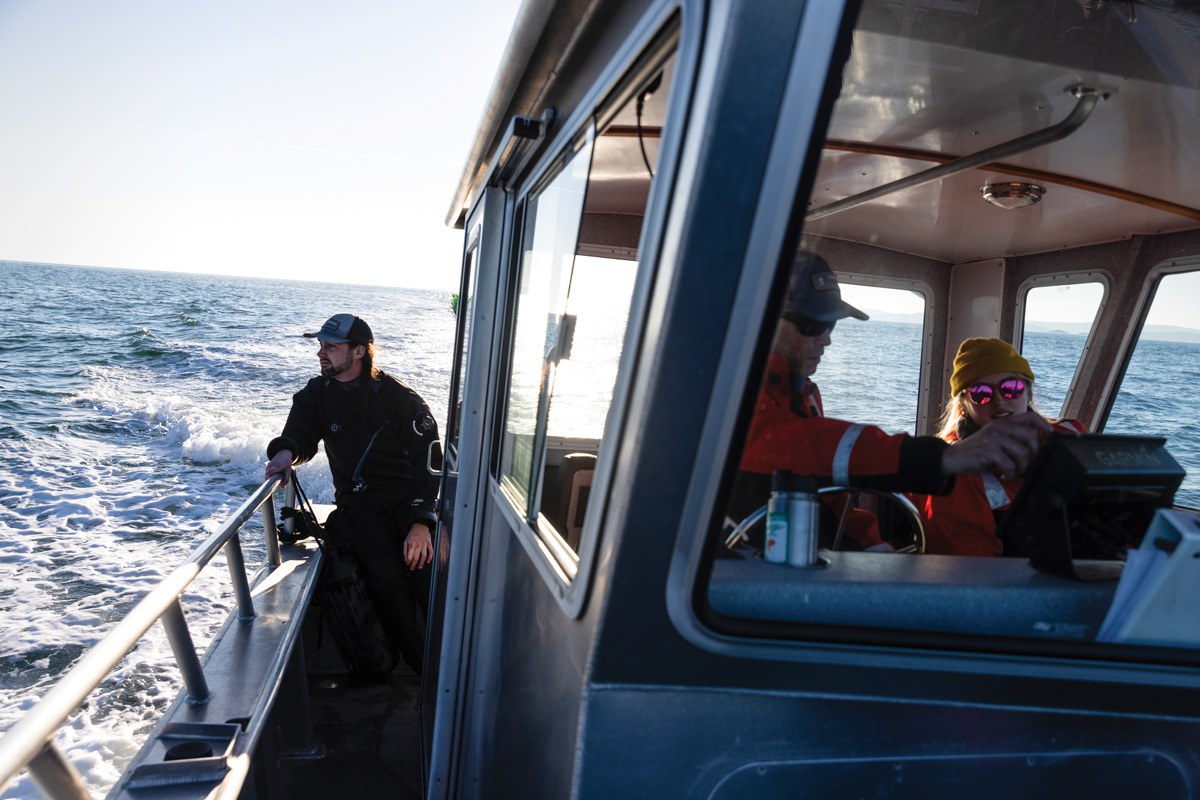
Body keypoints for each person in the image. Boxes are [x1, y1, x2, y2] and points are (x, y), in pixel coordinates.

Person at [731, 252, 1051, 550]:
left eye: (830, 324)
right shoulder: (724, 390)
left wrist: (871, 545)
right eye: (812, 324)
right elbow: (791, 443)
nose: (826, 338)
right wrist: (941, 459)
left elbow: (829, 494)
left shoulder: (801, 395)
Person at [264, 313, 440, 675]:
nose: (321, 353)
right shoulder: (318, 394)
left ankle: (450, 668)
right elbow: (300, 435)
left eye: (331, 346)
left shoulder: (400, 400)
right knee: (385, 581)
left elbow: (430, 461)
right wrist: (284, 453)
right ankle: (422, 669)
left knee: (429, 576)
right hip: (361, 508)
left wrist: (423, 523)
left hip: (409, 505)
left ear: (359, 351)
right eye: (320, 346)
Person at [911, 337, 1087, 556]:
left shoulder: (1072, 437)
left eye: (1011, 388)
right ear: (964, 404)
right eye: (981, 393)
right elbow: (970, 569)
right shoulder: (952, 473)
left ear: (1028, 393)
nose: (999, 400)